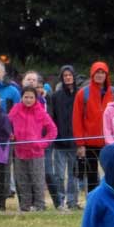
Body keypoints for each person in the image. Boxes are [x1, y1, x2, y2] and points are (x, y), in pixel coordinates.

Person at [7, 85, 57, 213]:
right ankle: (25, 206)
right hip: (20, 152)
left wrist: (42, 143)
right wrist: (10, 135)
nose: (28, 100)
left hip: (36, 153)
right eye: (26, 97)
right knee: (22, 181)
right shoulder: (16, 109)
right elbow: (6, 124)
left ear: (36, 98)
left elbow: (53, 130)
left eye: (31, 97)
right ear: (21, 97)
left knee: (38, 180)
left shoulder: (40, 111)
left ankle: (40, 206)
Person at [72, 61, 112, 202]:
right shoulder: (83, 93)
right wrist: (80, 143)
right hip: (90, 143)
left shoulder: (113, 93)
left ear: (107, 75)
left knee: (112, 173)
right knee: (91, 175)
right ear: (92, 74)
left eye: (103, 72)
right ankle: (93, 202)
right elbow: (77, 120)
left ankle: (111, 200)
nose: (100, 75)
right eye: (97, 72)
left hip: (109, 142)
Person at [47, 64, 81, 210]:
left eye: (70, 75)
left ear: (74, 77)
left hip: (75, 142)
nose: (68, 77)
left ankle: (73, 201)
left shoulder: (80, 95)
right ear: (62, 77)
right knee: (59, 175)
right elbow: (52, 118)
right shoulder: (55, 96)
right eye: (65, 75)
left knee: (74, 175)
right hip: (60, 142)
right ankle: (60, 201)